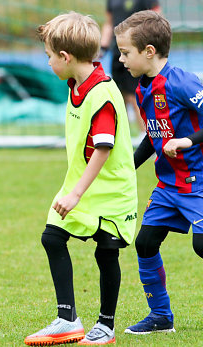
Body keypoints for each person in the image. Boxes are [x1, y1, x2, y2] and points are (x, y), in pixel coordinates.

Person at [24, 12, 138, 346]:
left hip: (111, 191)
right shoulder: (77, 82)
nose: (47, 63)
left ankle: (105, 325)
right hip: (82, 185)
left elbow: (103, 149)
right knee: (52, 238)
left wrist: (74, 195)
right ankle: (67, 319)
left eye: (49, 57)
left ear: (65, 57)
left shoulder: (102, 94)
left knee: (106, 253)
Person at [115, 10, 203, 335]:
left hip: (199, 182)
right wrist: (128, 167)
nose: (121, 59)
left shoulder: (183, 83)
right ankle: (161, 316)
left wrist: (185, 141)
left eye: (125, 52)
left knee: (201, 246)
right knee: (146, 242)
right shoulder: (143, 89)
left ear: (148, 51)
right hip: (168, 186)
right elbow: (154, 136)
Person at [100, 0, 161, 136]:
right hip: (117, 53)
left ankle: (146, 136)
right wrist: (103, 47)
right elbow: (109, 23)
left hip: (137, 53)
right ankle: (122, 135)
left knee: (135, 94)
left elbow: (157, 21)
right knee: (119, 95)